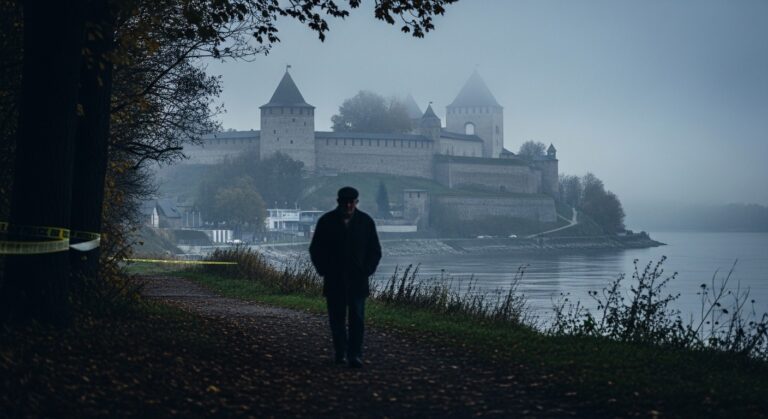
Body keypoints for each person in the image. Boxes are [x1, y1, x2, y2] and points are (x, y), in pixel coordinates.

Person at [309, 186, 382, 368]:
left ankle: (355, 355)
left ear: (356, 202)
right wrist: (324, 270)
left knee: (357, 319)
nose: (349, 205)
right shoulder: (326, 222)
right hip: (334, 279)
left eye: (352, 202)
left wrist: (367, 270)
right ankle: (341, 352)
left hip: (358, 280)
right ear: (339, 202)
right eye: (346, 202)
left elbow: (375, 251)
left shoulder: (366, 222)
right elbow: (315, 249)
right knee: (337, 319)